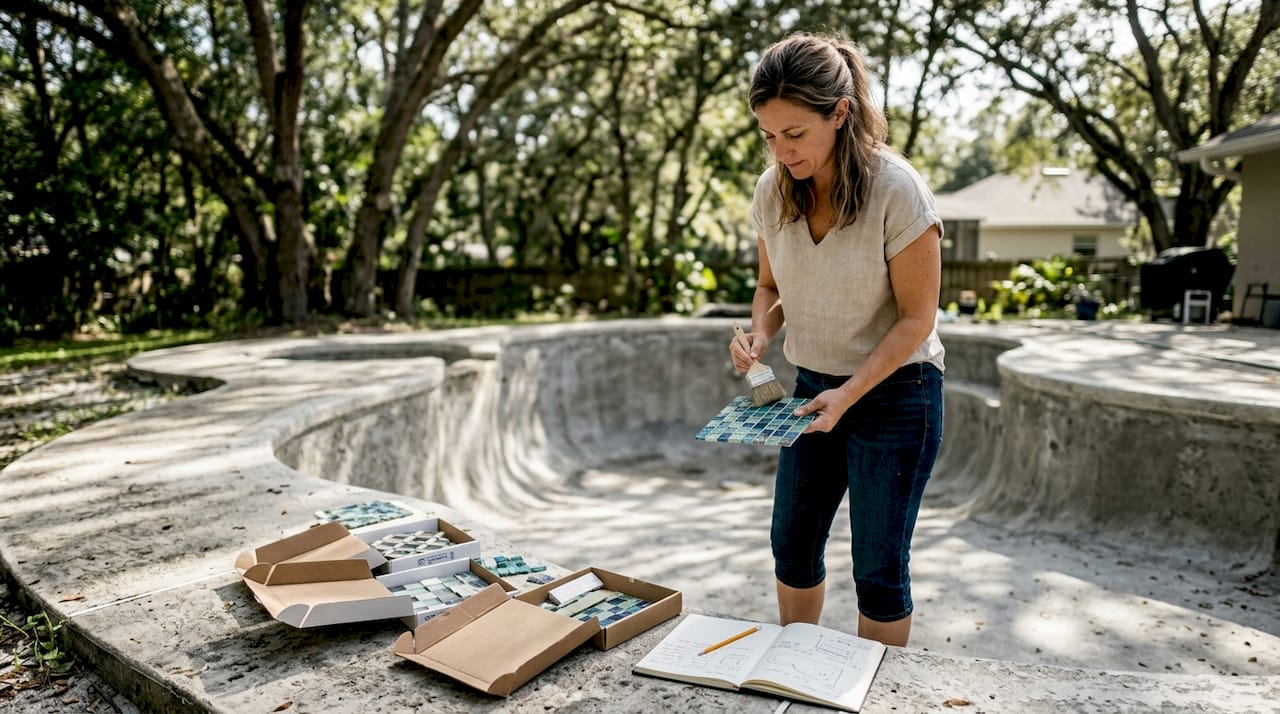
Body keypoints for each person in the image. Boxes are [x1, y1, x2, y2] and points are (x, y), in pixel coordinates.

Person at [729, 32, 945, 648]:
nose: (781, 151)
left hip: (897, 395)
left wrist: (849, 395)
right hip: (811, 391)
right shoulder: (771, 190)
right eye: (769, 136)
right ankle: (796, 668)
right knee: (792, 544)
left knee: (878, 567)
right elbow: (770, 286)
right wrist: (760, 332)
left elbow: (917, 319)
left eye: (794, 134)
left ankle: (877, 690)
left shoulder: (897, 190)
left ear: (840, 113)